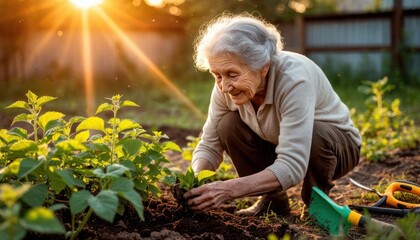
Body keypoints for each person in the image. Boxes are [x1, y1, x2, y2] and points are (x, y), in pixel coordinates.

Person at [183, 13, 362, 216]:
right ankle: (273, 201)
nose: (224, 86)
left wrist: (227, 189)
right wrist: (194, 183)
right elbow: (209, 143)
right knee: (227, 125)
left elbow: (292, 165)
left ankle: (316, 204)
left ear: (263, 67)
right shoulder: (226, 85)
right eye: (217, 75)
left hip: (337, 147)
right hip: (277, 141)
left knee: (316, 133)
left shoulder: (294, 80)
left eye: (232, 74)